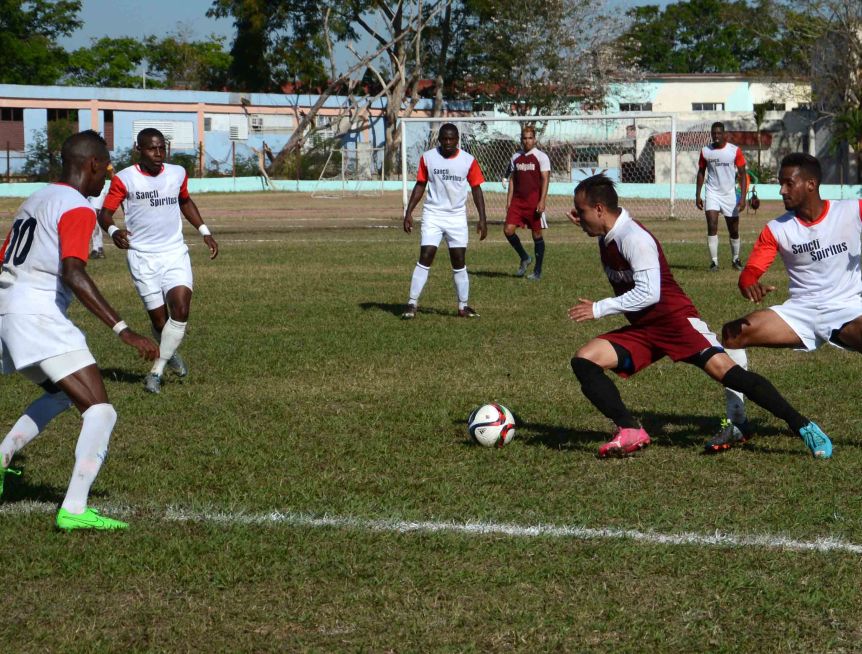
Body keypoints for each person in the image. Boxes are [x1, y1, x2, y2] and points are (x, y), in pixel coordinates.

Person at [567, 173, 831, 459]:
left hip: (676, 323)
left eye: (581, 211)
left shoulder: (634, 238)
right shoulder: (608, 233)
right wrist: (586, 222)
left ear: (599, 209)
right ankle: (630, 429)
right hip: (644, 328)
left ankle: (803, 425)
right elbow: (607, 236)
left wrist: (599, 308)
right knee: (585, 361)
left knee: (732, 375)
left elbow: (649, 294)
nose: (578, 217)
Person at [0, 130, 159, 530]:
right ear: (91, 165)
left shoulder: (34, 200)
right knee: (101, 412)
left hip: (7, 310)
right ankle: (74, 508)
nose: (107, 177)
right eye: (105, 168)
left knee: (59, 395)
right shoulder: (76, 206)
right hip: (37, 314)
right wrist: (123, 329)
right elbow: (73, 272)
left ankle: (1, 458)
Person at [713, 152, 859, 454]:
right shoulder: (777, 228)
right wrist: (748, 283)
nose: (781, 190)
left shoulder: (851, 211)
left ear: (811, 184)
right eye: (781, 183)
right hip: (800, 312)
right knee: (732, 334)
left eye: (788, 184)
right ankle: (737, 422)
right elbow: (750, 272)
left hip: (846, 307)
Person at [98, 128, 219, 394]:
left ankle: (156, 371)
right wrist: (114, 231)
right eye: (152, 148)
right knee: (160, 323)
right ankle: (170, 352)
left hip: (174, 253)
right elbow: (104, 214)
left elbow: (185, 201)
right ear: (138, 150)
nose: (158, 153)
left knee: (181, 310)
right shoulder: (124, 179)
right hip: (142, 258)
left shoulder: (177, 173)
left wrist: (205, 232)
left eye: (162, 148)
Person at [402, 123, 487, 319]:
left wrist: (482, 219)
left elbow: (476, 189)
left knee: (459, 260)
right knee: (426, 255)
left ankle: (463, 306)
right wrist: (409, 212)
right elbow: (420, 185)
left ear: (457, 140)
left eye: (452, 139)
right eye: (445, 138)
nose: (448, 142)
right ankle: (412, 303)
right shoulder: (428, 158)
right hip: (433, 214)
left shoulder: (468, 161)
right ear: (439, 139)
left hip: (456, 217)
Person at [696, 122, 748, 271]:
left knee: (734, 229)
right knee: (712, 225)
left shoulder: (734, 151)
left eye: (719, 133)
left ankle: (736, 259)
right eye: (714, 133)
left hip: (729, 194)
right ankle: (714, 262)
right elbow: (701, 172)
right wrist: (698, 195)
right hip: (712, 192)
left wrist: (743, 198)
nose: (716, 136)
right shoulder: (705, 151)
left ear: (724, 134)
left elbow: (742, 174)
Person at [504, 125, 550, 280]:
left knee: (536, 234)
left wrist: (542, 200)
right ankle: (525, 257)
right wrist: (509, 201)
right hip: (517, 202)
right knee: (508, 230)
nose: (527, 141)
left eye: (530, 138)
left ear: (534, 139)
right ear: (521, 139)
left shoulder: (541, 157)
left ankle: (537, 271)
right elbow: (512, 180)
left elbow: (545, 179)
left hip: (533, 202)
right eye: (524, 138)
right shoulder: (515, 157)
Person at [88, 165, 111, 259]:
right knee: (93, 219)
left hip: (99, 188)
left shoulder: (101, 160)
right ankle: (99, 248)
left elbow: (111, 169)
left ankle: (97, 249)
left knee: (93, 216)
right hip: (89, 189)